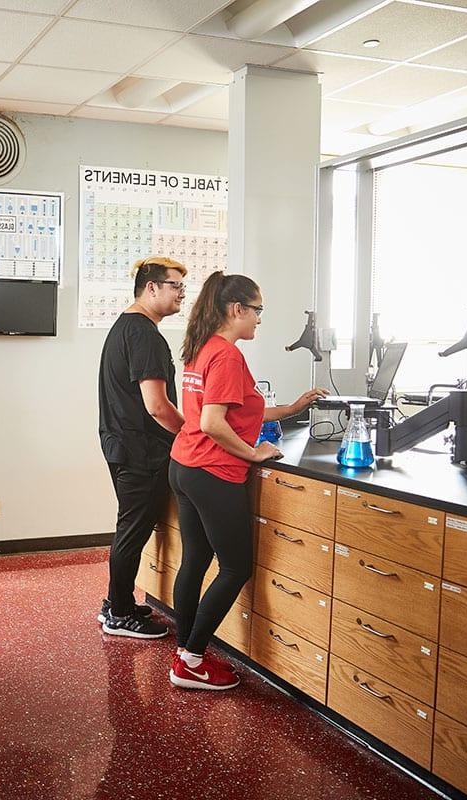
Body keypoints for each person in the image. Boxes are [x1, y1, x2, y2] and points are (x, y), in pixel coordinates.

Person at [168, 272, 326, 690]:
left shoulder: (200, 347)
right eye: (257, 310)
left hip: (185, 466)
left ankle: (185, 651)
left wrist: (292, 408)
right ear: (236, 309)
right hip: (212, 472)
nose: (259, 319)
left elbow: (234, 413)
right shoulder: (226, 355)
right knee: (236, 567)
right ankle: (193, 661)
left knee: (196, 560)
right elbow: (213, 422)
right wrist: (255, 453)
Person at [97, 256, 187, 639]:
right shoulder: (145, 335)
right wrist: (192, 434)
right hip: (141, 451)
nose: (182, 294)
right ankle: (119, 613)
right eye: (175, 286)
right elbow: (157, 405)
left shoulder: (125, 327)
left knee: (130, 528)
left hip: (124, 445)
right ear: (151, 288)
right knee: (132, 530)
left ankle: (116, 603)